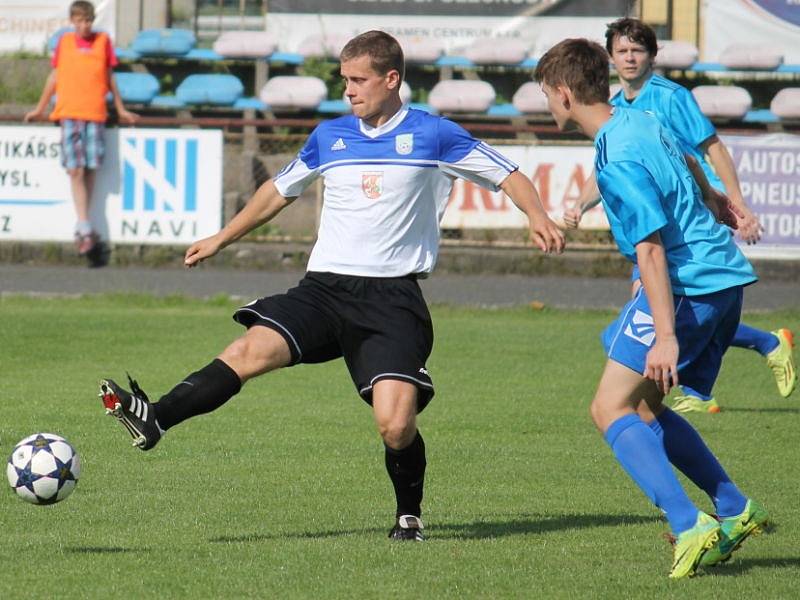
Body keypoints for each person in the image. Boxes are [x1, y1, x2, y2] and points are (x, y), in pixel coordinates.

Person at [98, 30, 565, 541]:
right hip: (324, 289)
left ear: (392, 79)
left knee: (394, 424)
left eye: (358, 80)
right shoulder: (330, 137)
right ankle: (155, 418)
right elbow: (277, 192)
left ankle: (408, 512)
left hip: (392, 299)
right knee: (249, 348)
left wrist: (536, 215)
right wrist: (222, 237)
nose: (349, 90)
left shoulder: (435, 135)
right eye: (344, 80)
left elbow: (509, 175)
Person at [535, 38, 769, 578]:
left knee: (609, 408)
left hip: (689, 285)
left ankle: (690, 526)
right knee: (644, 407)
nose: (547, 104)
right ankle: (734, 509)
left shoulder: (615, 154)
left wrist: (666, 336)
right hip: (719, 278)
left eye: (547, 94)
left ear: (565, 94)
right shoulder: (637, 118)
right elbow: (686, 156)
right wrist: (713, 200)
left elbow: (650, 247)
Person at [564, 17, 796, 414]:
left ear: (653, 55)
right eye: (622, 51)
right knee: (644, 321)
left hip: (686, 221)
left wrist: (734, 203)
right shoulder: (612, 108)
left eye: (638, 50)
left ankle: (674, 395)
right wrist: (580, 206)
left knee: (640, 322)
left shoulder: (671, 98)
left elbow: (712, 149)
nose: (630, 58)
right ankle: (740, 359)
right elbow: (605, 172)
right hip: (655, 225)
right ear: (610, 58)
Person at [24, 0, 138, 258]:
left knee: (90, 167)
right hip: (68, 113)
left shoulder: (102, 42)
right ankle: (84, 224)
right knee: (74, 168)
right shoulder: (64, 43)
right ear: (72, 22)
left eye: (88, 20)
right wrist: (40, 108)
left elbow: (109, 77)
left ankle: (86, 226)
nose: (84, 25)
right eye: (80, 21)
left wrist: (120, 109)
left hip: (94, 113)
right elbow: (54, 77)